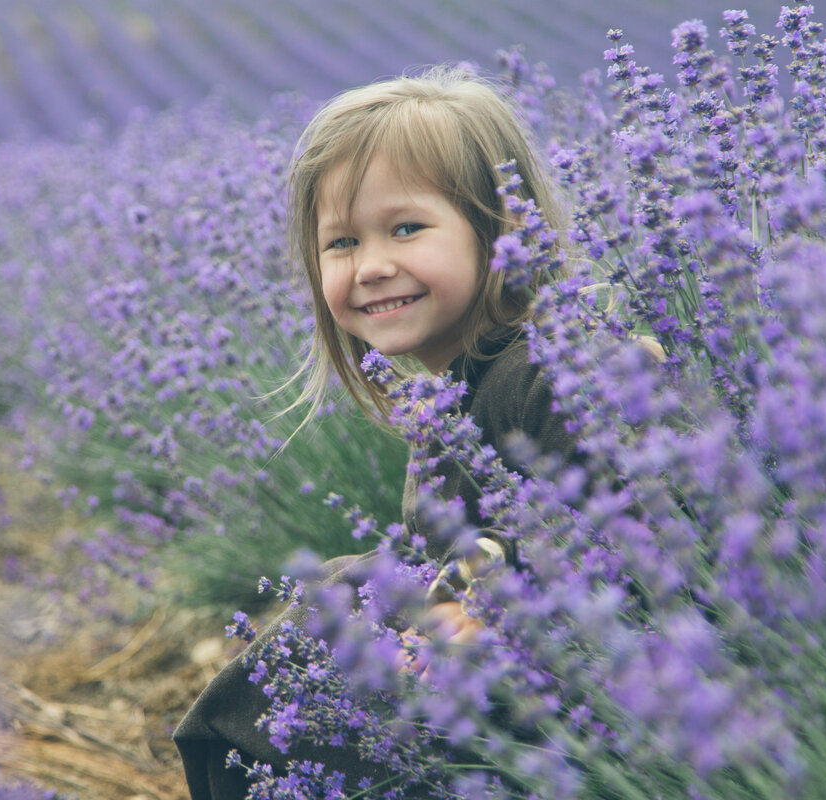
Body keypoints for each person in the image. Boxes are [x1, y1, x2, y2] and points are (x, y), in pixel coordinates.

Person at [173, 65, 583, 800]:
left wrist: (495, 611)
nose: (372, 266)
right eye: (341, 243)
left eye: (406, 228)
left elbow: (619, 518)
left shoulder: (542, 370)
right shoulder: (454, 397)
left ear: (500, 228)